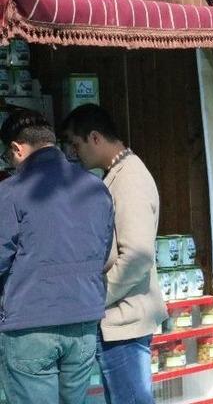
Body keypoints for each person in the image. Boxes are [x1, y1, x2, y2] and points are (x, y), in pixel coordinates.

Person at [0, 109, 114, 402]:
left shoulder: (10, 192)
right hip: (84, 321)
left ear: (17, 148)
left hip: (30, 323)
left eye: (8, 157)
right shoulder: (96, 188)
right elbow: (104, 253)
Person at [62, 104, 168, 402]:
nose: (74, 152)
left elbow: (137, 255)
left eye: (76, 144)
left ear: (95, 138)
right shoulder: (118, 174)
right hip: (121, 319)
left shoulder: (129, 178)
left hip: (125, 322)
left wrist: (97, 297)